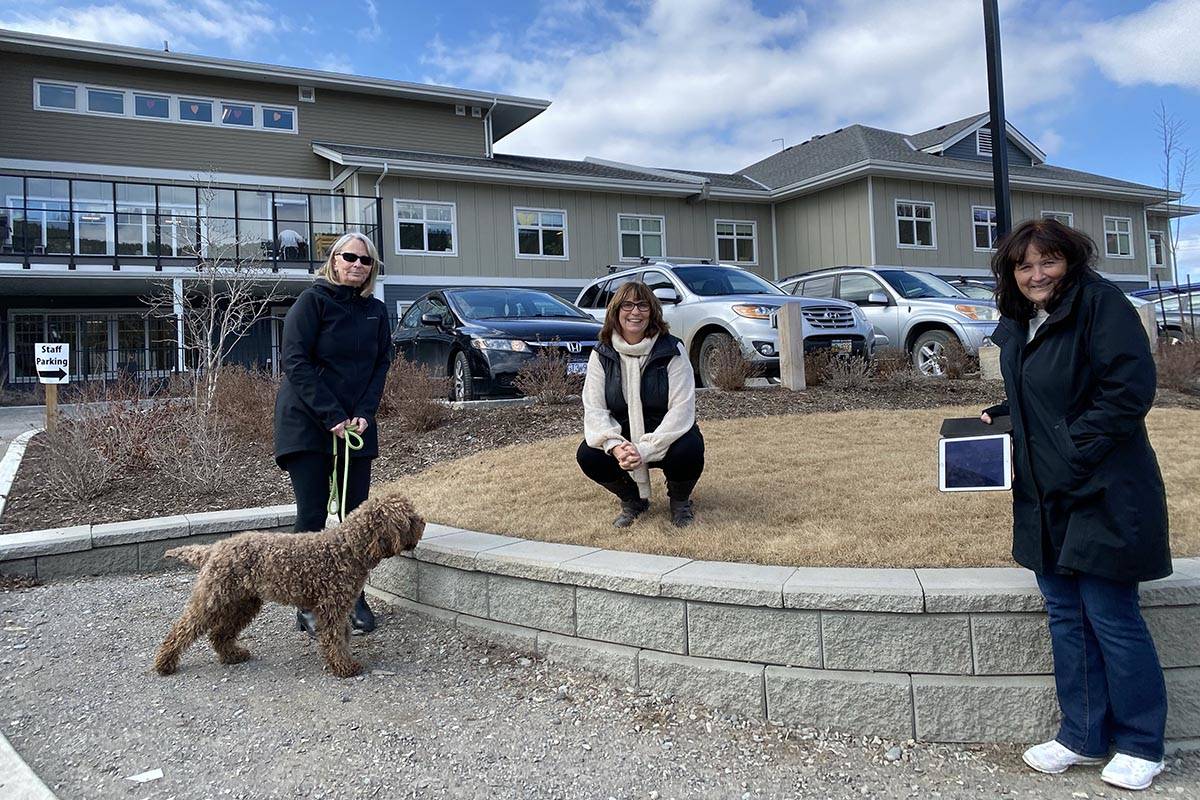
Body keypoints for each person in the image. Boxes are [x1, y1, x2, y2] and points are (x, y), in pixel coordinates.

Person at [980, 219, 1170, 792]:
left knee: (1111, 615)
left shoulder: (1100, 304)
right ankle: (1082, 735)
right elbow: (1042, 391)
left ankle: (1141, 742)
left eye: (1049, 261)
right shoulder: (1020, 319)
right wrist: (1003, 414)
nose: (1036, 274)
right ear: (1011, 272)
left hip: (1102, 488)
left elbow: (1128, 391)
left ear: (1071, 261)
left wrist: (1068, 449)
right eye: (1024, 265)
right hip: (1045, 494)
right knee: (1065, 613)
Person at [273, 231, 392, 636]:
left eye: (366, 261)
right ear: (334, 260)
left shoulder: (376, 311)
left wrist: (363, 413)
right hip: (308, 422)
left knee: (355, 517)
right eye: (350, 257)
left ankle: (352, 597)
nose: (358, 265)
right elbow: (295, 361)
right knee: (312, 513)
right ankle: (307, 602)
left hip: (354, 427)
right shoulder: (312, 302)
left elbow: (380, 366)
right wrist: (331, 415)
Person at [577, 281, 704, 528]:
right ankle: (633, 501)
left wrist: (644, 449)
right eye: (627, 305)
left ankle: (679, 502)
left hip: (664, 432)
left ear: (652, 311)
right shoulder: (601, 353)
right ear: (615, 311)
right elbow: (594, 409)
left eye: (642, 305)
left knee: (689, 447)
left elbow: (682, 408)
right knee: (588, 454)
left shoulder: (672, 349)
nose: (635, 312)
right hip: (623, 434)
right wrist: (616, 447)